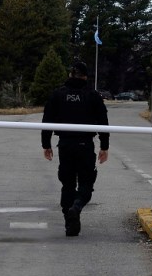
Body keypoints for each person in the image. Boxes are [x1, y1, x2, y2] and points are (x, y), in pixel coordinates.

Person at [41, 61, 109, 237]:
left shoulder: (58, 94)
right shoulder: (92, 95)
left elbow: (47, 119)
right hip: (85, 145)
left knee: (67, 184)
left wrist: (46, 144)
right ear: (85, 76)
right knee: (86, 183)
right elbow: (103, 121)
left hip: (65, 145)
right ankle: (77, 207)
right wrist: (104, 146)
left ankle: (69, 222)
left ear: (70, 75)